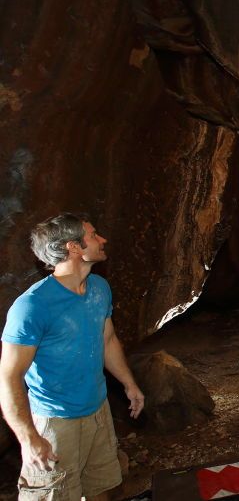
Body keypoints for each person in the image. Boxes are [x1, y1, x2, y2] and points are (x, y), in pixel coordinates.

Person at [0, 213, 145, 501]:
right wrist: (29, 439)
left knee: (100, 488)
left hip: (97, 412)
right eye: (93, 235)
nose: (102, 239)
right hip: (55, 422)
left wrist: (129, 383)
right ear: (73, 247)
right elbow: (9, 377)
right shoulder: (32, 306)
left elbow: (107, 339)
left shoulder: (99, 289)